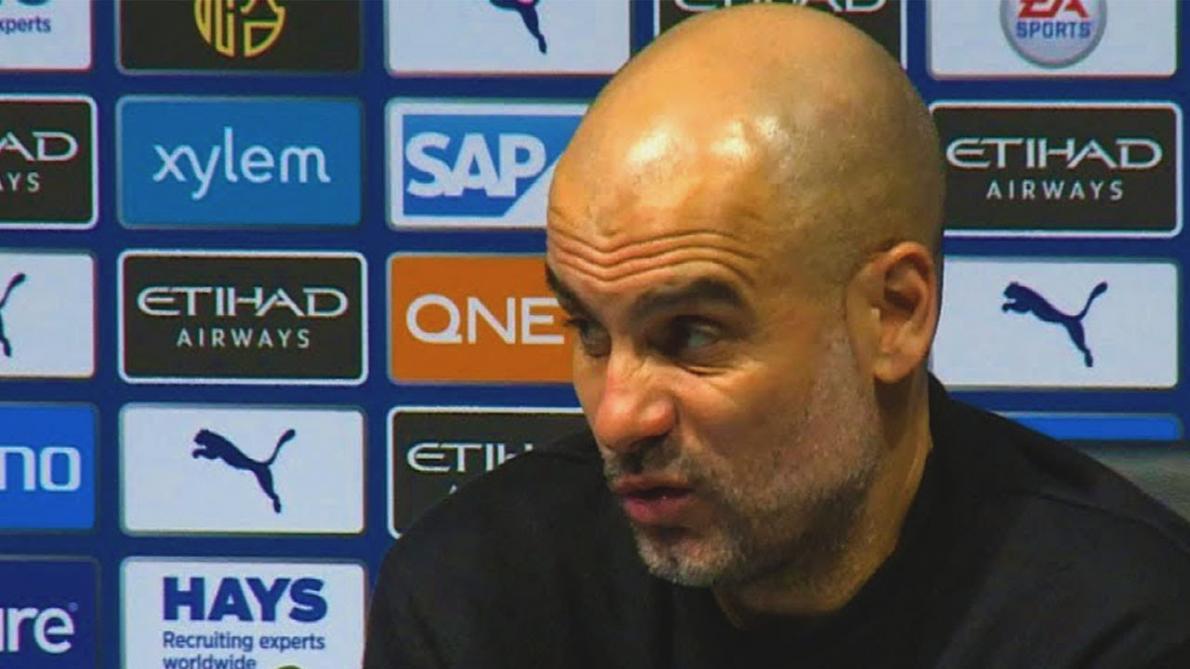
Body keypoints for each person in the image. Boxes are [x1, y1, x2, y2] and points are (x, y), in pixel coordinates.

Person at [365, 6, 1190, 667]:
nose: (617, 417)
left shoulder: (1121, 627)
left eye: (691, 336)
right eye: (589, 330)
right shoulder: (479, 598)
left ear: (894, 315)